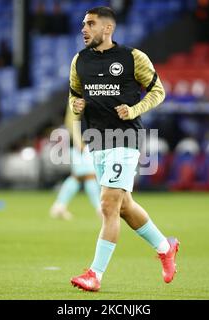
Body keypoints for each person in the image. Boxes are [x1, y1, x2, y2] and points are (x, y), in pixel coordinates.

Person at [68, 6, 179, 292]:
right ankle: (165, 247)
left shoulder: (133, 57)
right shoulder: (79, 61)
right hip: (96, 139)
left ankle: (95, 274)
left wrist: (134, 109)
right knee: (124, 206)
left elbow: (158, 91)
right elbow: (75, 96)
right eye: (83, 24)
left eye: (90, 24)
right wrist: (76, 106)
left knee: (107, 204)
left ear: (107, 29)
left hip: (125, 138)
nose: (84, 29)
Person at [50, 106, 101, 220]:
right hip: (82, 143)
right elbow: (70, 120)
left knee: (77, 177)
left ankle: (59, 206)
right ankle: (99, 208)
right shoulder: (79, 97)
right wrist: (78, 141)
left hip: (87, 141)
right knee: (89, 175)